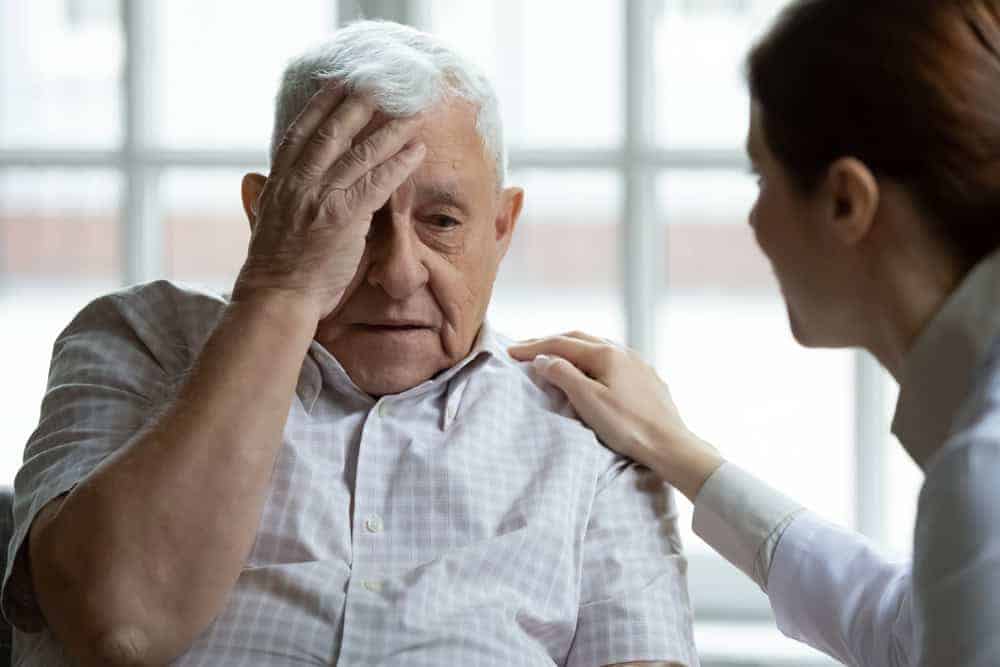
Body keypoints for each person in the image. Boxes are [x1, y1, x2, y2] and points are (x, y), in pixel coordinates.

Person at [1, 21, 696, 667]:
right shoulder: (140, 341)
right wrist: (282, 286)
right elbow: (121, 621)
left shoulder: (590, 428)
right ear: (264, 214)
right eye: (351, 217)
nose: (396, 273)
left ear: (502, 227)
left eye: (443, 220)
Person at [511, 1, 1000, 666]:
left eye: (761, 176)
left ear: (845, 202)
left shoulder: (982, 473)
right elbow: (904, 624)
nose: (753, 221)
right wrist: (679, 451)